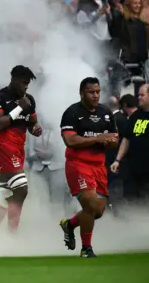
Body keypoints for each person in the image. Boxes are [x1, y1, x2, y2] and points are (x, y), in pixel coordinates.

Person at [59, 77, 118, 258]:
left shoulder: (106, 113)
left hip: (99, 166)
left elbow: (115, 139)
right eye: (91, 92)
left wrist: (110, 142)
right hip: (78, 164)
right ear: (82, 93)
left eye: (98, 92)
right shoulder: (72, 112)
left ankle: (70, 224)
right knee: (91, 204)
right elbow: (69, 140)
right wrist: (98, 138)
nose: (95, 95)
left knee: (98, 211)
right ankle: (86, 248)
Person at [0, 65, 42, 232]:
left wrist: (36, 129)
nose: (26, 87)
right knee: (21, 188)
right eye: (23, 83)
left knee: (6, 192)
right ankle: (12, 233)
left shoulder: (29, 99)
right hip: (3, 146)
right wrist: (18, 108)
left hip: (18, 148)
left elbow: (32, 123)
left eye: (28, 84)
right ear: (14, 80)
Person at [112, 84, 149, 207]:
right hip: (133, 170)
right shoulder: (135, 116)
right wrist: (117, 159)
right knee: (131, 202)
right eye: (138, 95)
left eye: (142, 95)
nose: (138, 97)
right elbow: (126, 139)